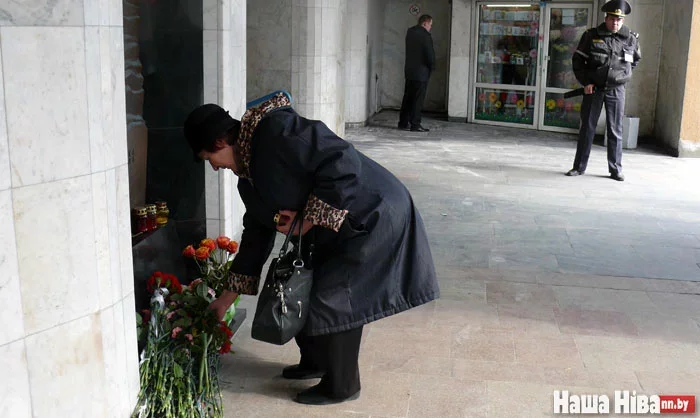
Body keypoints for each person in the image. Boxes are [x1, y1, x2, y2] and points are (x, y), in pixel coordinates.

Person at [183, 92, 439, 406]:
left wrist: (307, 218)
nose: (213, 168)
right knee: (296, 290)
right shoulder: (247, 179)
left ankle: (342, 385)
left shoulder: (277, 131)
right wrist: (225, 300)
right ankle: (316, 363)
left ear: (220, 142)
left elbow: (341, 161)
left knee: (333, 298)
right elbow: (256, 235)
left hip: (373, 213)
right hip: (337, 228)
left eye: (208, 159)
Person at [566, 0, 640, 181]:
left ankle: (615, 170)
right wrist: (586, 82)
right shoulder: (591, 36)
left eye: (619, 20)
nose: (615, 22)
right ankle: (579, 167)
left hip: (617, 90)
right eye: (612, 19)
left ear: (622, 20)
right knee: (587, 129)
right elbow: (578, 62)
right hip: (594, 89)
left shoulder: (631, 38)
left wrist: (622, 77)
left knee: (615, 130)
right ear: (606, 18)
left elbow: (635, 61)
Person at [398, 14, 435, 132]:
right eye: (430, 25)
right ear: (425, 23)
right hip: (421, 72)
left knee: (408, 97)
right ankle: (415, 124)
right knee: (418, 100)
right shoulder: (425, 36)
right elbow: (429, 54)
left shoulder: (410, 32)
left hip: (409, 71)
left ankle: (403, 122)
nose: (430, 27)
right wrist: (432, 67)